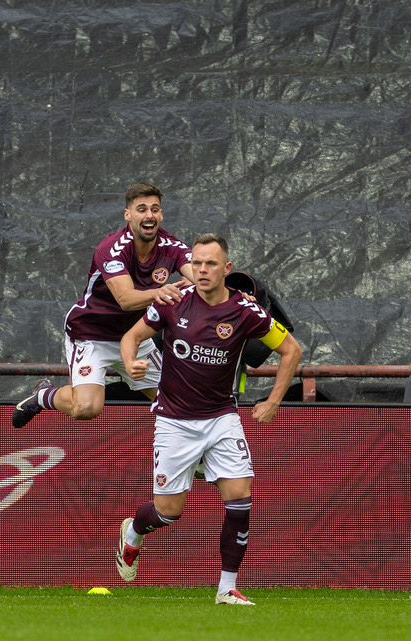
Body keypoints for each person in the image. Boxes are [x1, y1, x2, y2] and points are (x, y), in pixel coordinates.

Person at [115, 233, 302, 606]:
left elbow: (291, 350)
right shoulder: (171, 300)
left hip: (221, 418)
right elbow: (131, 337)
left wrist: (274, 401)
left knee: (240, 498)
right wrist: (129, 362)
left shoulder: (246, 311)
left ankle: (226, 589)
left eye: (211, 263)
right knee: (168, 513)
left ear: (226, 269)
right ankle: (133, 533)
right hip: (174, 421)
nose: (202, 270)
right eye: (197, 263)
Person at [11, 182, 193, 427]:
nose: (149, 215)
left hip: (135, 337)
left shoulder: (173, 247)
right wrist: (159, 292)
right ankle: (43, 395)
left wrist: (234, 294)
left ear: (161, 214)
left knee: (180, 403)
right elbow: (126, 299)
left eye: (155, 209)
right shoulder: (112, 248)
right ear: (128, 215)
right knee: (86, 408)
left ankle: (199, 463)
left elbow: (204, 278)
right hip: (91, 334)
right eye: (141, 209)